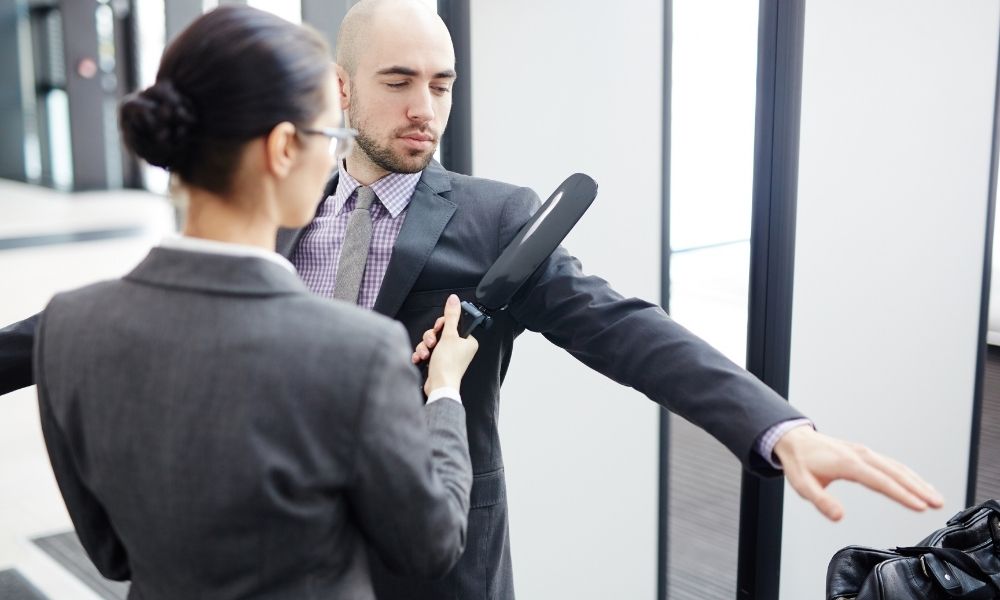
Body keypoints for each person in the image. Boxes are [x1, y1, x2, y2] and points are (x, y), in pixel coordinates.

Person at [1, 1, 943, 598]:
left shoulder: (497, 219)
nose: (426, 107)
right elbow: (127, 314)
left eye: (443, 84)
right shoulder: (273, 205)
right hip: (275, 553)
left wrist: (778, 428)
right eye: (400, 81)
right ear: (341, 89)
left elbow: (626, 329)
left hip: (436, 559)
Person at [31, 6, 479, 599]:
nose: (334, 158)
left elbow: (112, 554)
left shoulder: (69, 327)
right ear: (284, 148)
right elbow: (431, 545)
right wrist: (444, 394)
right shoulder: (358, 351)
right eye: (331, 136)